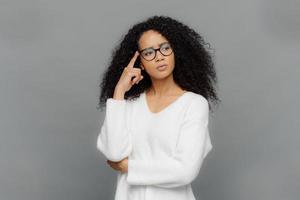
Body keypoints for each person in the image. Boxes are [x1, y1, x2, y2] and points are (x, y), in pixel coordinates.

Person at [97, 15, 220, 200]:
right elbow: (114, 153)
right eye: (148, 52)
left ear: (175, 51)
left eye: (165, 48)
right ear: (141, 64)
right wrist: (119, 91)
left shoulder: (193, 104)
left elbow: (185, 171)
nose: (159, 57)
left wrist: (129, 167)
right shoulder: (129, 104)